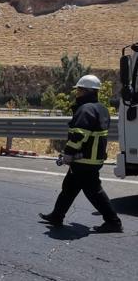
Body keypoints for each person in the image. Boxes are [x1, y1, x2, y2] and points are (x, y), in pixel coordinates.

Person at [39, 75, 123, 233]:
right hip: (94, 158)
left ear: (86, 91)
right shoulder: (101, 108)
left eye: (78, 90)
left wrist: (68, 154)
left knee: (94, 191)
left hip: (84, 160)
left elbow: (78, 135)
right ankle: (57, 216)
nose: (76, 93)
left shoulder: (86, 109)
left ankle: (113, 222)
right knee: (70, 187)